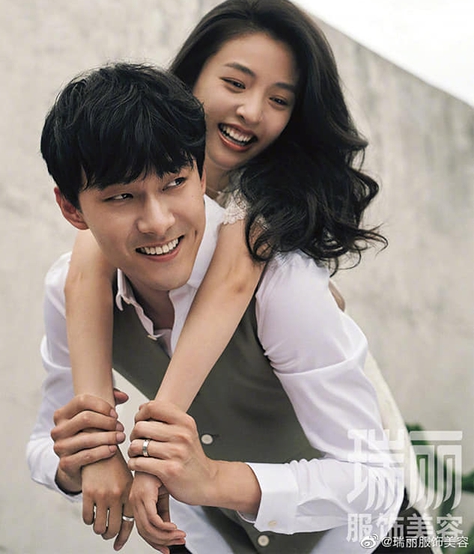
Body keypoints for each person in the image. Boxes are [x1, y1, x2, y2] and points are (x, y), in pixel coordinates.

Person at [28, 59, 404, 553]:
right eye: (122, 197)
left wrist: (214, 480)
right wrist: (76, 464)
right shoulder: (72, 290)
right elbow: (42, 443)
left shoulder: (281, 281)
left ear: (202, 173)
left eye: (173, 183)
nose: (158, 221)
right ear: (71, 208)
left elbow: (375, 479)